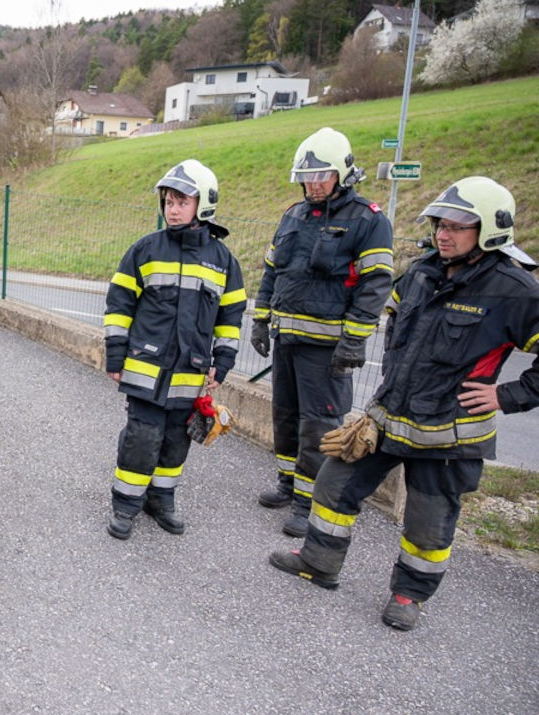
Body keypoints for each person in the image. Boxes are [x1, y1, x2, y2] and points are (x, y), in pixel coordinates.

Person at [269, 177, 539, 631]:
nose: (443, 235)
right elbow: (391, 318)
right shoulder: (421, 272)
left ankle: (408, 596)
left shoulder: (514, 290)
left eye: (457, 227)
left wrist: (506, 395)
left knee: (428, 522)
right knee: (334, 484)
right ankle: (318, 562)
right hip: (388, 419)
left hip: (449, 437)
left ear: (491, 230)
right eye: (439, 225)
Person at [251, 127, 394, 537]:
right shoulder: (293, 216)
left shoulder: (368, 220)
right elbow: (272, 273)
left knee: (319, 426)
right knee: (286, 416)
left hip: (327, 350)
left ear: (343, 174)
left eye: (321, 176)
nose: (313, 184)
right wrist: (261, 320)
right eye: (308, 176)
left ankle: (308, 502)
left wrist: (353, 341)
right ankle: (287, 483)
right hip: (288, 342)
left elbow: (375, 285)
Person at [103, 159, 246, 538]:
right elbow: (119, 306)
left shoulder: (224, 262)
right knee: (142, 438)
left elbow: (230, 318)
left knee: (175, 442)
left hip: (190, 373)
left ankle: (160, 500)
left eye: (182, 201)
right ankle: (125, 505)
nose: (173, 208)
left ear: (204, 204)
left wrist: (224, 362)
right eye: (168, 201)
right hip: (144, 369)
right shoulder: (145, 250)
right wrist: (115, 355)